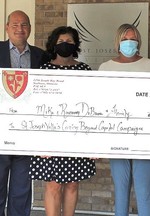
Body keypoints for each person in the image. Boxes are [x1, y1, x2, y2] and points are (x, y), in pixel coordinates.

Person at [98, 23, 150, 216]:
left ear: (139, 41)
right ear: (117, 42)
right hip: (117, 137)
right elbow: (98, 104)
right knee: (120, 192)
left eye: (133, 39)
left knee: (144, 192)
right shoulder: (105, 68)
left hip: (144, 138)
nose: (129, 42)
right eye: (125, 39)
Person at [29, 26, 96, 216]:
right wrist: (37, 141)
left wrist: (94, 142)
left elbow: (94, 106)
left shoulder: (85, 70)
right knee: (53, 185)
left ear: (75, 44)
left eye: (69, 42)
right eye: (60, 42)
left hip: (77, 134)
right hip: (50, 135)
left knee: (73, 184)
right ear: (53, 45)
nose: (65, 45)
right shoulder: (42, 69)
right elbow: (34, 106)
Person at [0, 10, 48, 216]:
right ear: (7, 27)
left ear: (30, 28)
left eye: (24, 25)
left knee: (22, 188)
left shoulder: (41, 56)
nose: (20, 29)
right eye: (15, 24)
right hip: (1, 131)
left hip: (27, 133)